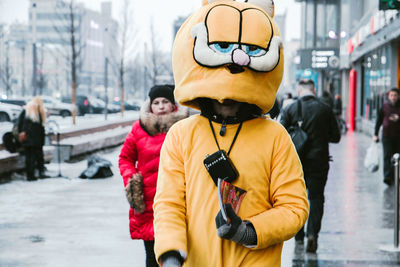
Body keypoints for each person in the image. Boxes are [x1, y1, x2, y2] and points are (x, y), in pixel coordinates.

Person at [153, 1, 309, 266]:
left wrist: (249, 230)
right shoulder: (181, 136)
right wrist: (170, 253)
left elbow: (294, 207)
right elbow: (169, 205)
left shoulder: (275, 137)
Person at [118, 85, 188, 267]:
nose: (161, 106)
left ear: (173, 104)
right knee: (152, 255)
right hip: (148, 201)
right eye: (156, 102)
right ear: (150, 106)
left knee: (182, 253)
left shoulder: (185, 128)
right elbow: (125, 158)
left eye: (165, 101)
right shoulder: (139, 129)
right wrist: (132, 181)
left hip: (180, 199)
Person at [280, 79, 341, 253]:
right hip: (319, 161)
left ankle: (298, 235)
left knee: (297, 197)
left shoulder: (290, 109)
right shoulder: (325, 109)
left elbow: (280, 136)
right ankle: (313, 234)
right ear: (313, 89)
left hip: (295, 162)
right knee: (316, 198)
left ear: (299, 91)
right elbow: (336, 137)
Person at [373, 88, 400, 186]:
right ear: (389, 96)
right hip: (386, 136)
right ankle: (387, 177)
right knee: (387, 156)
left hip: (398, 137)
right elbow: (378, 121)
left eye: (395, 95)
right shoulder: (384, 106)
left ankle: (395, 175)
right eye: (391, 95)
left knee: (397, 157)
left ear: (398, 96)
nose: (393, 97)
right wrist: (375, 134)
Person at [18, 96, 47, 181]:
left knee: (29, 157)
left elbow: (20, 124)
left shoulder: (26, 110)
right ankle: (33, 175)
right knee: (34, 157)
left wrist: (22, 133)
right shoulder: (39, 111)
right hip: (36, 140)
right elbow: (40, 127)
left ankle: (30, 175)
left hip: (28, 139)